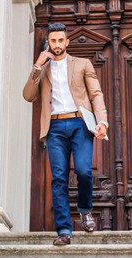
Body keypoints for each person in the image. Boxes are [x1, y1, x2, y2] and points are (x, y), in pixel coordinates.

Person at [23, 23, 108, 245]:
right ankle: (64, 230)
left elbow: (96, 94)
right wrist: (37, 66)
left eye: (61, 40)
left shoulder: (82, 64)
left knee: (83, 170)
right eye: (53, 41)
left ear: (67, 42)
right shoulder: (44, 68)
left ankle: (85, 210)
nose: (57, 44)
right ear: (48, 43)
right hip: (55, 128)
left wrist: (102, 122)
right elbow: (28, 96)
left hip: (80, 125)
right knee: (59, 178)